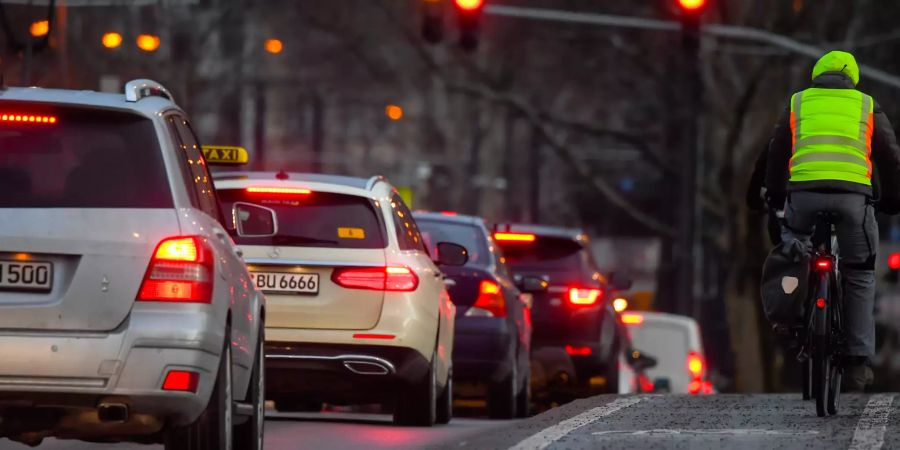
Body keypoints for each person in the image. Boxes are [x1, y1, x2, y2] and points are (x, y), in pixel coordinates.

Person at [766, 50, 900, 392]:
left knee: (793, 252)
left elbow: (778, 150)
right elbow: (888, 154)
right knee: (859, 272)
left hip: (804, 195)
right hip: (853, 199)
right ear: (852, 78)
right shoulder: (866, 105)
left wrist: (777, 194)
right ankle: (856, 364)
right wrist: (893, 198)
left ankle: (791, 320)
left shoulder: (798, 103)